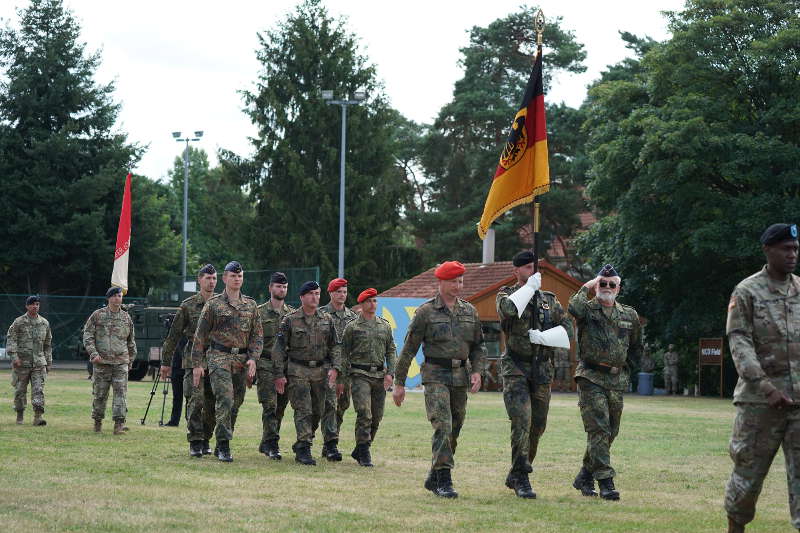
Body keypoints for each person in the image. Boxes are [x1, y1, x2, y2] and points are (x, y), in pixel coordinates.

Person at [724, 223, 800, 533]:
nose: (793, 254)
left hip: (799, 403)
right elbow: (739, 341)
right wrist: (765, 386)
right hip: (759, 403)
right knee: (747, 477)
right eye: (786, 249)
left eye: (795, 249)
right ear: (768, 250)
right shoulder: (747, 291)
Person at [393, 261, 487, 498]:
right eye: (453, 281)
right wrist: (399, 383)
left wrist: (477, 371)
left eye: (460, 281)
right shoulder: (426, 312)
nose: (458, 285)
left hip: (460, 376)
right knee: (443, 426)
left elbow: (478, 346)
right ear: (441, 282)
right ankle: (445, 479)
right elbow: (409, 349)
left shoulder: (470, 311)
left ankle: (434, 476)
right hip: (435, 375)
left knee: (455, 427)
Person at [496, 251, 574, 498]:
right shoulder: (506, 295)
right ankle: (521, 476)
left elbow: (568, 328)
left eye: (534, 267)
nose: (532, 271)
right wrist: (528, 288)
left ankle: (517, 471)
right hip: (516, 368)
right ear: (516, 271)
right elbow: (508, 311)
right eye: (527, 267)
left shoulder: (549, 300)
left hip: (541, 369)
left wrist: (545, 337)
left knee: (538, 425)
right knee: (522, 421)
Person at [568, 264, 642, 501]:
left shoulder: (629, 314)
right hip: (590, 377)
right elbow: (573, 307)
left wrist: (627, 371)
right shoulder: (588, 310)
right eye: (603, 283)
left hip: (616, 379)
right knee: (598, 428)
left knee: (611, 431)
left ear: (618, 288)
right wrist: (588, 285)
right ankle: (606, 482)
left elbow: (636, 347)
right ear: (596, 285)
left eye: (612, 284)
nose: (607, 288)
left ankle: (584, 475)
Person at [191, 261, 262, 462]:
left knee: (235, 404)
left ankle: (207, 436)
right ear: (225, 278)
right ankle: (223, 445)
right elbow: (200, 336)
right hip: (218, 357)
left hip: (240, 360)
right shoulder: (213, 305)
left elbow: (257, 337)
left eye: (239, 276)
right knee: (225, 399)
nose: (236, 279)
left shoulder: (251, 305)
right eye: (232, 276)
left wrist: (253, 359)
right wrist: (197, 364)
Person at [273, 281, 341, 465]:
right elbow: (279, 349)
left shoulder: (327, 319)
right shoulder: (290, 319)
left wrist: (336, 368)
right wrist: (279, 375)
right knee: (303, 410)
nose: (315, 297)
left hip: (321, 371)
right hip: (298, 370)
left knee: (319, 410)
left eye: (317, 293)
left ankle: (303, 441)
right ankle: (304, 447)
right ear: (302, 297)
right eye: (310, 294)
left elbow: (335, 346)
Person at [160, 264, 218, 457]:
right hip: (193, 359)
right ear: (199, 280)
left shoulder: (222, 303)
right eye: (208, 278)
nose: (211, 282)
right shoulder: (188, 305)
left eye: (214, 279)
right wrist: (166, 363)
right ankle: (195, 440)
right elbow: (173, 336)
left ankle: (205, 438)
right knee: (195, 400)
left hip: (218, 359)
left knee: (213, 403)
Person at [341, 288, 397, 466]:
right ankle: (364, 452)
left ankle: (361, 448)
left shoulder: (385, 325)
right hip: (359, 375)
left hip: (379, 375)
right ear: (362, 304)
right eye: (369, 301)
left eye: (375, 301)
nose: (372, 304)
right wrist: (343, 378)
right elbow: (344, 353)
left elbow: (391, 350)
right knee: (364, 413)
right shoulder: (352, 327)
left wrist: (390, 373)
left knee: (377, 416)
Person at [83, 287, 137, 435]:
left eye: (119, 296)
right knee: (100, 394)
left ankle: (118, 425)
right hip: (102, 363)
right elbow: (87, 335)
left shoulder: (126, 317)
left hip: (121, 362)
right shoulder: (98, 315)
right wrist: (93, 354)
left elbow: (131, 340)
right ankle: (97, 423)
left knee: (121, 394)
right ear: (108, 298)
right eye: (114, 296)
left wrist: (131, 359)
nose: (117, 299)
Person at [319, 277, 358, 461]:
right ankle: (331, 444)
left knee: (342, 406)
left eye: (344, 291)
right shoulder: (321, 315)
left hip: (347, 370)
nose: (342, 295)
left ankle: (329, 443)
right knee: (330, 405)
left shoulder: (353, 317)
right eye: (338, 292)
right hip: (327, 368)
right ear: (331, 293)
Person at [256, 271, 294, 460]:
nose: (281, 289)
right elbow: (252, 340)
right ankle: (272, 444)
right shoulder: (259, 312)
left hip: (286, 367)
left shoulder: (292, 314)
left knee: (280, 407)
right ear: (271, 288)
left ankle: (265, 441)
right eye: (278, 286)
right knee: (269, 405)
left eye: (284, 287)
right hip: (265, 364)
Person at [7, 295, 52, 426]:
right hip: (22, 364)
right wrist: (14, 357)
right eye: (32, 304)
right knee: (20, 391)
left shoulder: (44, 323)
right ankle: (20, 414)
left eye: (37, 304)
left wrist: (48, 362)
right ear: (27, 306)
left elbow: (48, 344)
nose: (35, 306)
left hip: (39, 363)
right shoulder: (19, 322)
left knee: (38, 390)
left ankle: (38, 417)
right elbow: (11, 340)